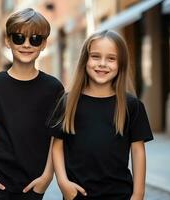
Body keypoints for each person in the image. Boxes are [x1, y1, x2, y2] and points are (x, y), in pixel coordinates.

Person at [0, 8, 64, 200]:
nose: (27, 45)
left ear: (44, 44)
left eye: (35, 39)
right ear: (8, 40)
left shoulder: (54, 88)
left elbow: (56, 137)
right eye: (19, 38)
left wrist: (47, 176)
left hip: (33, 184)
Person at [51, 30, 153, 200]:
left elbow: (138, 151)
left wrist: (138, 194)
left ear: (121, 64)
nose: (102, 64)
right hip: (77, 194)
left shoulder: (132, 106)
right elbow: (57, 146)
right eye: (96, 56)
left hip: (120, 194)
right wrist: (63, 182)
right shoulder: (69, 102)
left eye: (111, 58)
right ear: (85, 60)